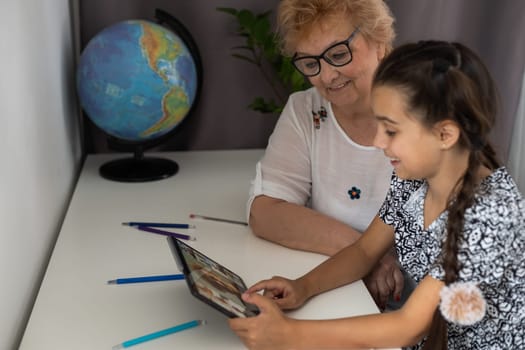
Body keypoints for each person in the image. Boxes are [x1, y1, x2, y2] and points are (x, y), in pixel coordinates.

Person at [231, 40, 525, 349]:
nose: (376, 141)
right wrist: (303, 287)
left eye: (390, 130)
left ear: (445, 134)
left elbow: (407, 326)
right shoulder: (415, 179)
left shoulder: (493, 217)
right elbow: (364, 252)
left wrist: (289, 335)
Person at [248, 0, 407, 309]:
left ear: (379, 41)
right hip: (342, 294)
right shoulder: (306, 111)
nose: (327, 76)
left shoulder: (425, 114)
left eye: (338, 55)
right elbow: (264, 213)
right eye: (310, 63)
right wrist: (365, 256)